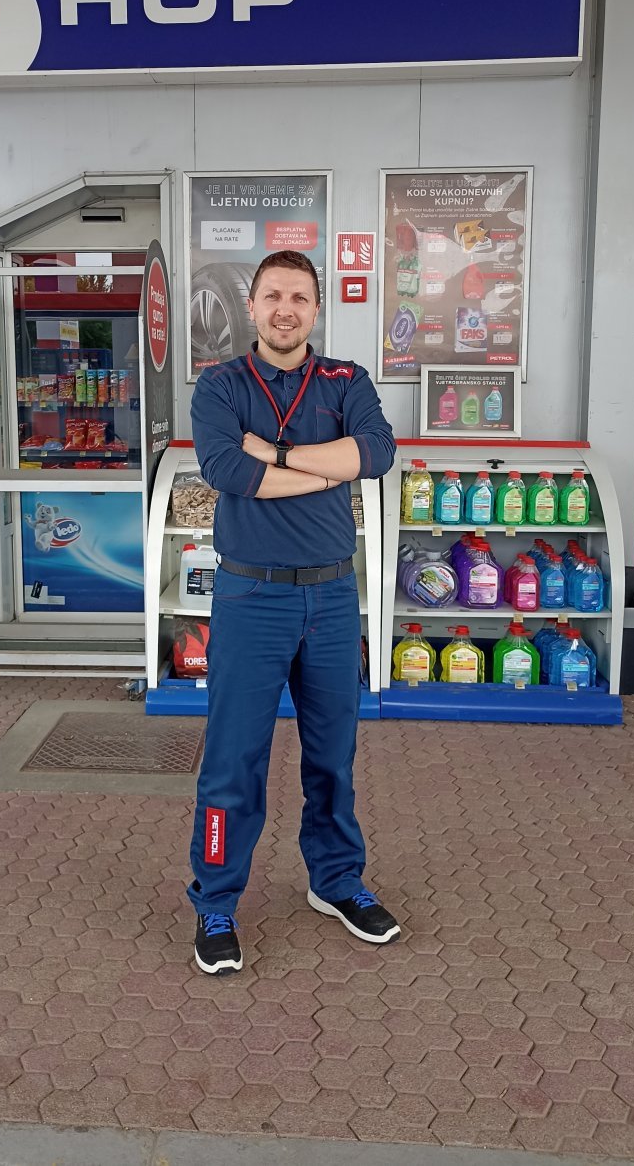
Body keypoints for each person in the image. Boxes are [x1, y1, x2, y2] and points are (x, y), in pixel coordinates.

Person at [187, 248, 399, 975]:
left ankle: (336, 881)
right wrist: (323, 464)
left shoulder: (347, 380)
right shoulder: (220, 386)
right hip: (251, 597)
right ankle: (216, 900)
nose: (286, 309)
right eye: (273, 296)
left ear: (315, 308)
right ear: (252, 306)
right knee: (232, 761)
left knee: (333, 755)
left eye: (299, 297)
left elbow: (376, 453)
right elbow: (227, 470)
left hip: (333, 598)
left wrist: (273, 455)